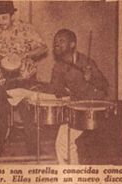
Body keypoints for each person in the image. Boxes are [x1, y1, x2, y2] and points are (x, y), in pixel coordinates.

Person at [0, 1, 48, 157]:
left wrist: (23, 55)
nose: (1, 22)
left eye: (4, 18)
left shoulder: (25, 29)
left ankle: (34, 147)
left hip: (24, 76)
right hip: (2, 77)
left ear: (12, 16)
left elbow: (43, 48)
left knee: (28, 112)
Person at [51, 29, 108, 164]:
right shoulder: (58, 66)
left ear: (72, 44)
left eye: (61, 41)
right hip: (74, 108)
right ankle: (72, 174)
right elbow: (57, 90)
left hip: (92, 110)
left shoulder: (86, 62)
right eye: (55, 41)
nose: (57, 44)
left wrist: (91, 78)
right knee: (63, 144)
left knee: (65, 142)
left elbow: (104, 85)